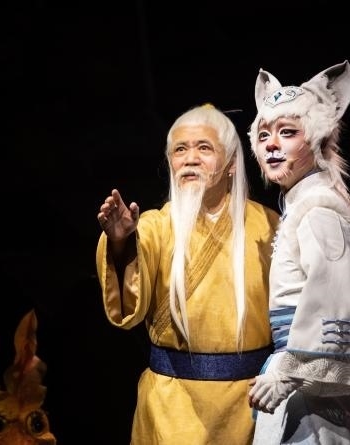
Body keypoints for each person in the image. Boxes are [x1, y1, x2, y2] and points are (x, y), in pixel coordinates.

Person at [246, 61, 350, 444]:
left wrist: (287, 372)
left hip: (311, 377)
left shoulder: (319, 210)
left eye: (288, 132)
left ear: (318, 139)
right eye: (264, 134)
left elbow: (337, 294)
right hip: (304, 372)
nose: (271, 144)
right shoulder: (301, 207)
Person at [95, 103, 280, 445]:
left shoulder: (269, 227)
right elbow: (127, 309)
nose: (190, 159)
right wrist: (121, 244)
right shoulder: (153, 227)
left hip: (252, 407)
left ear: (232, 163)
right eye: (180, 150)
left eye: (204, 148)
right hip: (171, 408)